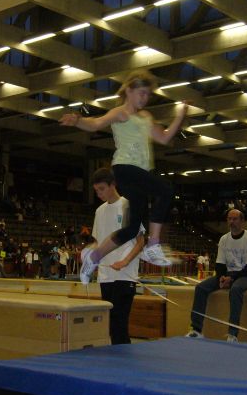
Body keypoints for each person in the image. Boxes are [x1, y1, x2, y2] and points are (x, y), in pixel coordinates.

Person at [60, 69, 188, 283]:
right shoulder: (121, 113)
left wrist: (180, 116)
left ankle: (94, 256)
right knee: (166, 190)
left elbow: (164, 138)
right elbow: (96, 123)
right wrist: (78, 120)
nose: (145, 98)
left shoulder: (146, 117)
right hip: (125, 167)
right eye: (141, 93)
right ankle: (153, 245)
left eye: (148, 94)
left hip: (141, 173)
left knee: (131, 229)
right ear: (129, 91)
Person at [186, 209, 247, 343]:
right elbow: (220, 264)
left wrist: (231, 279)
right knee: (201, 288)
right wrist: (221, 277)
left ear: (242, 221)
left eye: (235, 219)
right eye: (229, 219)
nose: (231, 222)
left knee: (236, 289)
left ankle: (232, 334)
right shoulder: (224, 239)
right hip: (228, 275)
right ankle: (196, 330)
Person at [91, 167, 145, 345]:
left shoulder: (128, 206)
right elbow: (98, 242)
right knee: (111, 325)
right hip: (105, 275)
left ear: (112, 185)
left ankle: (123, 360)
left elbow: (140, 242)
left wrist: (125, 261)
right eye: (96, 191)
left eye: (102, 189)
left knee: (119, 323)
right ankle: (116, 359)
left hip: (125, 274)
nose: (99, 194)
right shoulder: (99, 211)